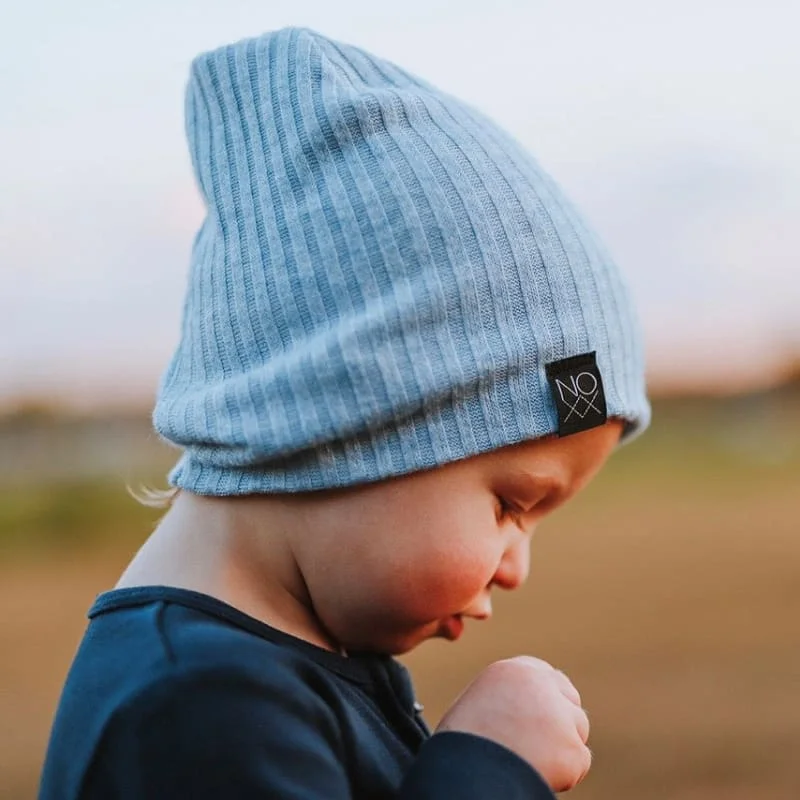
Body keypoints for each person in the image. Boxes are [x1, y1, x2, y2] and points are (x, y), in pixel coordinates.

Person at [39, 26, 650, 799]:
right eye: (510, 504)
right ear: (355, 421)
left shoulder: (263, 672)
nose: (517, 567)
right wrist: (491, 770)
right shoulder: (198, 711)